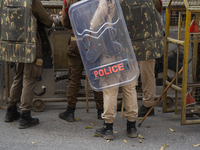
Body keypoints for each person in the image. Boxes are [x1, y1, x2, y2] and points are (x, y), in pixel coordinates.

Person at [87, 0, 138, 140]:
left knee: (110, 89)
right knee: (130, 88)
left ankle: (108, 128)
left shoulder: (107, 1)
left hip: (111, 50)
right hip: (128, 51)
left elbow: (95, 23)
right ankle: (132, 126)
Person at [4, 0, 54, 129]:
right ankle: (25, 115)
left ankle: (11, 110)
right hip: (30, 44)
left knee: (18, 76)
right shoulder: (31, 1)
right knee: (30, 77)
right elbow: (48, 21)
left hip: (15, 44)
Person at [58, 0, 104, 122]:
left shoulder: (67, 1)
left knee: (74, 78)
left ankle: (70, 111)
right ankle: (101, 110)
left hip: (76, 40)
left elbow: (65, 22)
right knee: (96, 75)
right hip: (93, 39)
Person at [117, 0, 163, 117]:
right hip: (133, 39)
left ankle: (148, 104)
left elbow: (157, 7)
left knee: (146, 72)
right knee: (130, 71)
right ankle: (128, 101)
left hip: (146, 40)